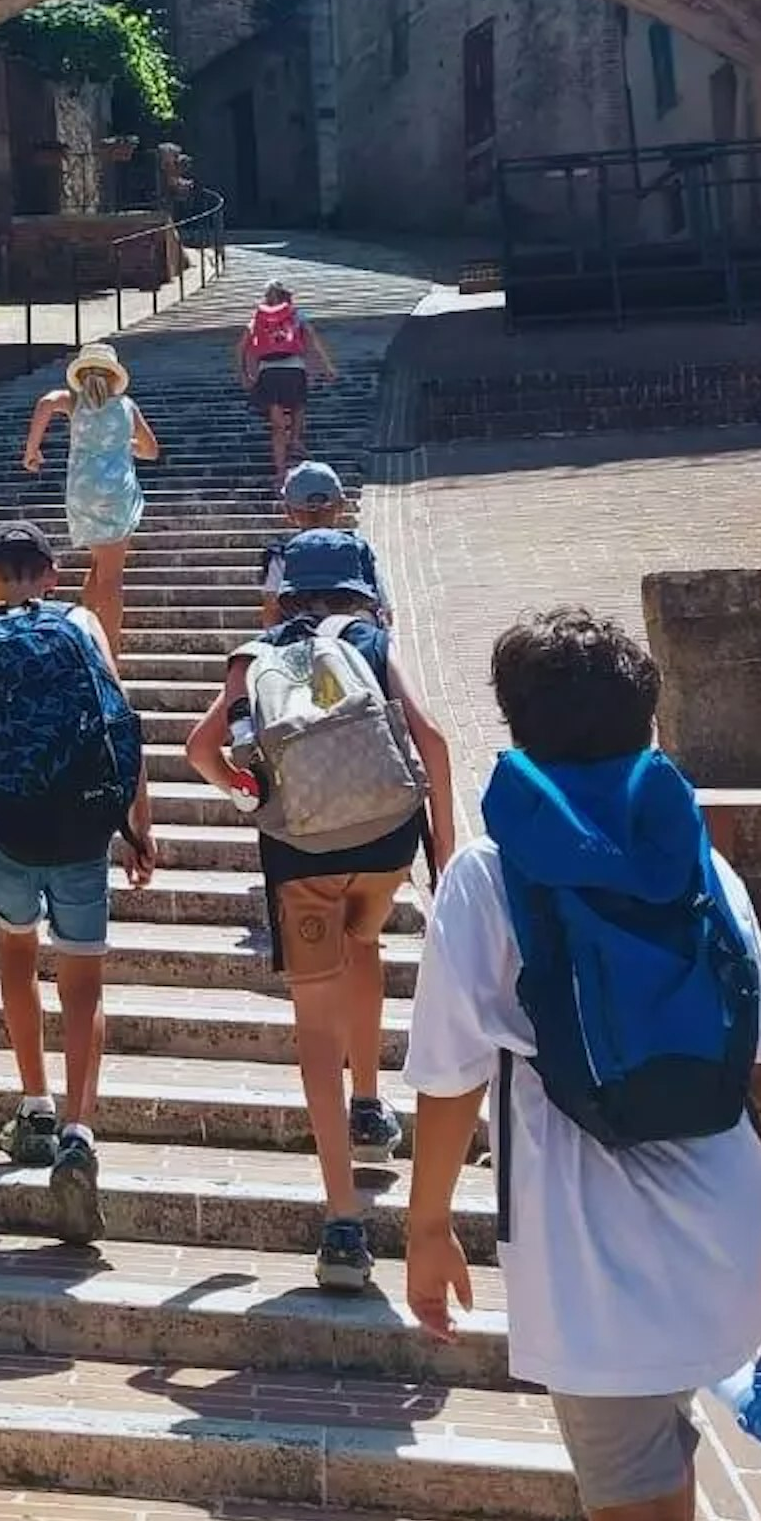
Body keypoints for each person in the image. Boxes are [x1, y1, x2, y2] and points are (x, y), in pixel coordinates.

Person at [403, 608, 761, 1521]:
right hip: (722, 1211)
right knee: (659, 1452)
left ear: (518, 723)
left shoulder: (490, 872)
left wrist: (426, 1227)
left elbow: (449, 1079)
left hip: (588, 1244)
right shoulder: (698, 858)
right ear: (646, 721)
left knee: (626, 1514)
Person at [187, 527, 456, 1293]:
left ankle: (342, 1221)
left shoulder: (253, 656)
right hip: (386, 839)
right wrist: (442, 853)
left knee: (313, 1023)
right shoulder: (370, 641)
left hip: (302, 850)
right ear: (361, 588)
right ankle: (370, 1104)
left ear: (285, 591)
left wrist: (253, 796)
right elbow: (434, 741)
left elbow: (200, 750)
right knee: (364, 943)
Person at [0, 520, 154, 1243]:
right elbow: (121, 724)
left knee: (17, 958)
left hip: (9, 828)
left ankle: (34, 1104)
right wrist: (139, 825)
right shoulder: (84, 623)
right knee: (84, 983)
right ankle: (79, 1132)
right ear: (52, 575)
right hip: (83, 825)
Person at [21, 345, 159, 663]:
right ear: (114, 375)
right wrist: (123, 444)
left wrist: (32, 449)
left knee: (98, 568)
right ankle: (109, 657)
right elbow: (151, 450)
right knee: (112, 578)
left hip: (81, 493)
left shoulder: (74, 402)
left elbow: (45, 403)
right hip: (115, 496)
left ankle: (82, 637)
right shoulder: (126, 406)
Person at [256, 459, 389, 628]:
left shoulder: (282, 555)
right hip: (353, 634)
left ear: (288, 511)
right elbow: (384, 610)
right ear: (341, 506)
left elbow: (272, 610)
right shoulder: (359, 549)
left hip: (301, 636)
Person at [235, 283, 338, 489]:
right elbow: (313, 339)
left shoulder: (258, 317)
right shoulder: (296, 314)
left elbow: (241, 347)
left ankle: (281, 470)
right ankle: (296, 440)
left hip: (269, 373)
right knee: (298, 406)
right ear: (287, 297)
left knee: (277, 426)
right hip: (294, 369)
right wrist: (327, 366)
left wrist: (243, 374)